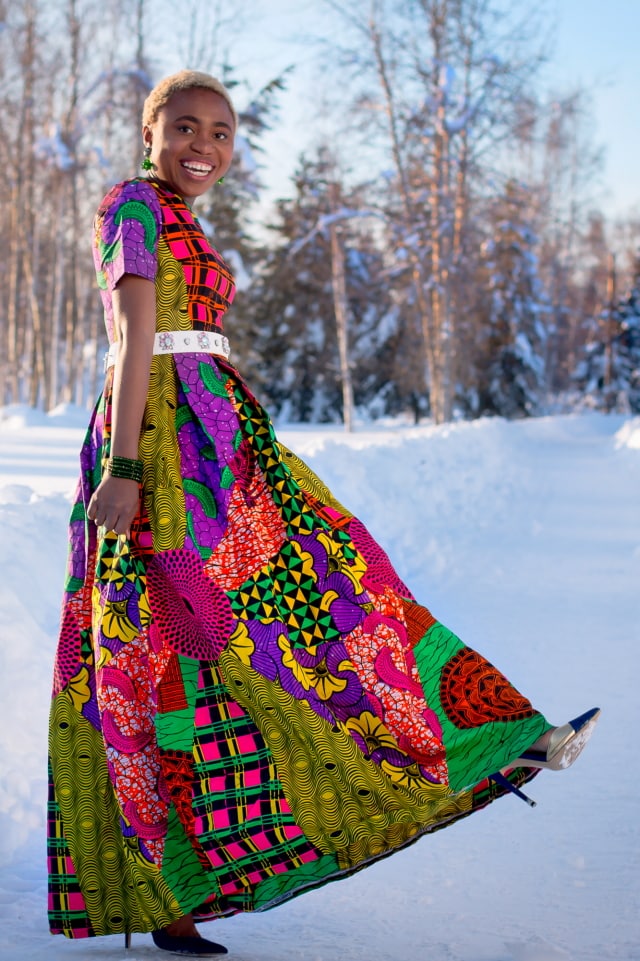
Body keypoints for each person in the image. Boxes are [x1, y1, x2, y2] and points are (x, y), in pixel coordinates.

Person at [47, 70, 600, 958]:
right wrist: (121, 468)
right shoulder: (132, 208)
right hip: (159, 455)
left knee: (324, 589)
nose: (204, 145)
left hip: (220, 440)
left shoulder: (187, 220)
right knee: (156, 660)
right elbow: (130, 342)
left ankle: (490, 737)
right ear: (148, 132)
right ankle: (166, 889)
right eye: (184, 127)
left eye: (221, 132)